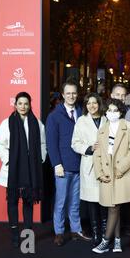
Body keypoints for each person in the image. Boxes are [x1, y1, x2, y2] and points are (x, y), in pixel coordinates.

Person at [0, 92, 47, 247]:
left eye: (26, 103)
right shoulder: (7, 123)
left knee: (28, 202)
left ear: (30, 105)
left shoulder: (36, 123)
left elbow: (43, 144)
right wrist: (10, 160)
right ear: (15, 104)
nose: (23, 106)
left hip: (31, 170)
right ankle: (15, 235)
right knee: (12, 201)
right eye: (20, 103)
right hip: (13, 170)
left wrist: (40, 159)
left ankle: (28, 236)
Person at [92, 98, 130, 253]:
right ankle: (117, 241)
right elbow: (97, 154)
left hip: (121, 172)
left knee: (114, 207)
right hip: (106, 172)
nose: (112, 113)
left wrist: (121, 168)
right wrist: (99, 173)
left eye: (115, 110)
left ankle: (105, 241)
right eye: (109, 110)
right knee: (113, 207)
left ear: (121, 112)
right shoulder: (102, 129)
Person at [46, 79, 91, 246]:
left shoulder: (82, 113)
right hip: (62, 167)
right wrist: (56, 164)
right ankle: (59, 232)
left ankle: (75, 230)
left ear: (77, 94)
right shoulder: (54, 116)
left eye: (74, 93)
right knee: (60, 201)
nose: (71, 96)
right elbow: (51, 143)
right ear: (63, 95)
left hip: (80, 165)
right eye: (68, 93)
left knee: (75, 202)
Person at [71, 92, 107, 247]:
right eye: (88, 103)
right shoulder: (81, 121)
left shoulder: (107, 119)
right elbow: (75, 143)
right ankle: (96, 234)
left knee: (105, 201)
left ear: (99, 104)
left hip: (106, 164)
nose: (92, 106)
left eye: (94, 103)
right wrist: (88, 148)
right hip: (89, 164)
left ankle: (106, 234)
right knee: (92, 202)